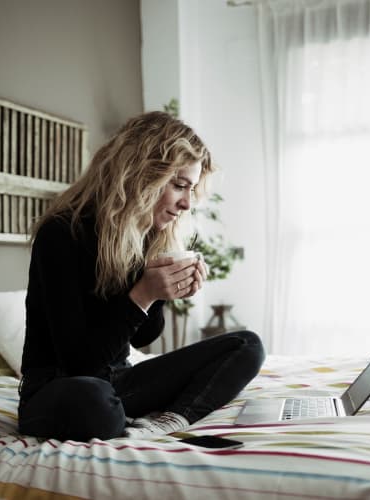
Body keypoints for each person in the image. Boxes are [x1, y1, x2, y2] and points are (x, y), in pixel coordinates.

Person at [18, 111, 265, 441]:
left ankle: (165, 422)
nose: (186, 203)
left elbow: (141, 338)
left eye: (190, 189)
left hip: (118, 383)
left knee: (247, 344)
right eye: (179, 186)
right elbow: (80, 363)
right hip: (58, 390)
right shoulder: (62, 233)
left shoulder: (143, 235)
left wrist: (162, 291)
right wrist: (144, 294)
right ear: (141, 175)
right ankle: (120, 418)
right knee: (94, 401)